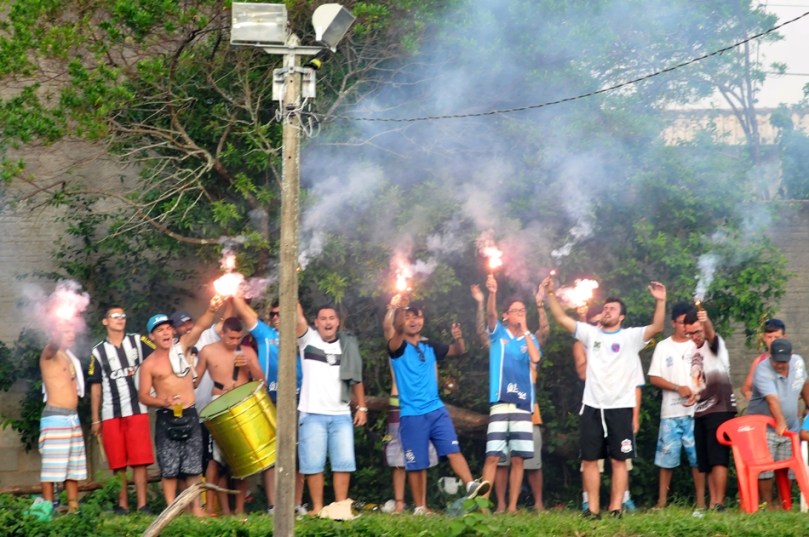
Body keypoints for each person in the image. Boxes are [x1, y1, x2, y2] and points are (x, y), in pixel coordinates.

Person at [542, 276, 666, 518]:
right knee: (589, 460)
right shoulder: (591, 334)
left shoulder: (631, 337)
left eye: (612, 309)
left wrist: (660, 301)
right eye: (605, 308)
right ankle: (593, 509)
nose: (606, 311)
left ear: (621, 317)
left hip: (620, 407)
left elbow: (657, 328)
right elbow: (561, 318)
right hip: (592, 407)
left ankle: (616, 508)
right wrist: (550, 294)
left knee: (619, 460)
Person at [384, 295, 490, 515]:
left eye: (417, 316)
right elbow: (395, 328)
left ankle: (471, 485)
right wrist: (400, 306)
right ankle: (421, 507)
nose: (413, 321)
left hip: (436, 410)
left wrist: (459, 339)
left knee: (453, 449)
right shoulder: (397, 346)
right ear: (402, 320)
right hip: (412, 414)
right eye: (409, 317)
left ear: (423, 319)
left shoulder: (430, 345)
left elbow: (458, 351)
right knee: (417, 463)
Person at [137, 296, 222, 516]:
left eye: (167, 329)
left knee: (194, 466)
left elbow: (202, 325)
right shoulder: (148, 365)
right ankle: (171, 510)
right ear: (151, 337)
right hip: (167, 417)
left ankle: (197, 508)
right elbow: (144, 396)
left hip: (190, 413)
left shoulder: (182, 347)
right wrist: (162, 401)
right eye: (160, 330)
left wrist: (212, 308)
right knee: (170, 468)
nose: (165, 333)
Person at [471, 283, 549, 513]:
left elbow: (535, 359)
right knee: (493, 455)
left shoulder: (529, 338)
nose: (520, 313)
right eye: (515, 310)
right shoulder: (498, 334)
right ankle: (483, 506)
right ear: (506, 315)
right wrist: (493, 292)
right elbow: (491, 314)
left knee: (518, 458)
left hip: (524, 404)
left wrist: (525, 329)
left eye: (523, 310)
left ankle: (513, 507)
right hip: (500, 401)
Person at [232, 297, 306, 515]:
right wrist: (233, 289)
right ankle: (274, 506)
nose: (276, 318)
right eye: (273, 314)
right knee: (271, 455)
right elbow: (246, 314)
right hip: (270, 398)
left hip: (297, 399)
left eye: (280, 313)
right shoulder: (265, 334)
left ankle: (296, 504)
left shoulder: (301, 335)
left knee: (297, 455)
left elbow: (300, 315)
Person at [295, 303, 367, 516]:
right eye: (323, 318)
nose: (327, 322)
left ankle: (340, 506)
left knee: (343, 463)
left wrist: (362, 407)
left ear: (338, 322)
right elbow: (297, 315)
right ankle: (317, 508)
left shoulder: (347, 346)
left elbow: (357, 379)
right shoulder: (307, 340)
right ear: (316, 322)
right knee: (313, 464)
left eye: (331, 318)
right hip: (312, 414)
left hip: (341, 414)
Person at [87, 306, 155, 514]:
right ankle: (122, 505)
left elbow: (160, 357)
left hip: (137, 409)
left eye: (123, 316)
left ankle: (143, 505)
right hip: (110, 413)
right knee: (118, 463)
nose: (120, 319)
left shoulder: (139, 341)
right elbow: (96, 386)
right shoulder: (98, 351)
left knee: (140, 461)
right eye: (115, 316)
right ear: (105, 321)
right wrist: (95, 418)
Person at [195, 316, 264, 515]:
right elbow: (195, 381)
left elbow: (261, 380)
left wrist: (248, 367)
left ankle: (240, 510)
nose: (234, 342)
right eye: (230, 338)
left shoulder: (247, 351)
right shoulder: (208, 351)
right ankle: (212, 508)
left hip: (242, 406)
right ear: (222, 333)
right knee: (214, 461)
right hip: (217, 404)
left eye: (237, 338)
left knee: (241, 460)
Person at [647, 302, 706, 510]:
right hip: (670, 412)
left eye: (688, 323)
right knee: (666, 459)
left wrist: (696, 394)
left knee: (698, 460)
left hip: (695, 412)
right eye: (681, 323)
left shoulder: (698, 345)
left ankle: (701, 504)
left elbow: (705, 377)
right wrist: (676, 387)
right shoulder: (663, 346)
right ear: (673, 323)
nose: (685, 327)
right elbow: (653, 377)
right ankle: (662, 502)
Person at [683, 308, 736, 512]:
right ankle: (713, 502)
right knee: (704, 461)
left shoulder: (716, 344)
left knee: (718, 457)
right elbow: (698, 384)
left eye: (697, 332)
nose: (694, 337)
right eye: (689, 333)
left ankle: (719, 503)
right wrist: (692, 397)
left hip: (720, 408)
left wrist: (707, 322)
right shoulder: (692, 352)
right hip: (701, 410)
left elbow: (711, 335)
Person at [747, 338, 809, 510]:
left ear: (791, 356)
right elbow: (772, 400)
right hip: (764, 428)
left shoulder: (798, 363)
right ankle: (767, 504)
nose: (780, 365)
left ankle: (784, 504)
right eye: (776, 361)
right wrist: (780, 423)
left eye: (783, 361)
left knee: (788, 468)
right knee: (765, 469)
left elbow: (804, 384)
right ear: (770, 357)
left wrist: (808, 405)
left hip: (791, 427)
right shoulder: (763, 369)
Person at [38, 322, 87, 515]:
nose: (71, 334)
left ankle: (74, 510)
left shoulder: (70, 358)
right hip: (55, 417)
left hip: (72, 419)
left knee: (72, 469)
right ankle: (48, 511)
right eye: (66, 331)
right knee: (51, 469)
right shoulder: (48, 355)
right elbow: (53, 345)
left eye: (72, 331)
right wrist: (58, 322)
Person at [741, 319, 787, 401]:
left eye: (777, 337)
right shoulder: (759, 361)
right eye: (769, 337)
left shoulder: (793, 360)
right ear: (764, 338)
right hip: (764, 410)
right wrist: (749, 395)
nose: (773, 341)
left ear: (784, 338)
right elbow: (746, 387)